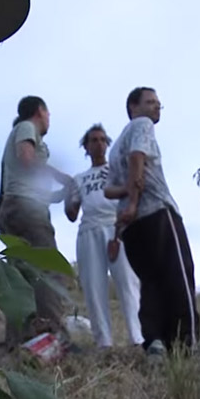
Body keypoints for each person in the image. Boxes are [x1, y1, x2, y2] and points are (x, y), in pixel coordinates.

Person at [105, 87, 200, 361]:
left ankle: (156, 343)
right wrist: (135, 200)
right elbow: (138, 157)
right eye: (150, 102)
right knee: (179, 275)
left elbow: (109, 191)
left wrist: (127, 201)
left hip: (131, 227)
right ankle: (187, 345)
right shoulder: (142, 125)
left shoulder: (114, 148)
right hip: (157, 211)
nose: (157, 107)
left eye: (158, 103)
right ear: (133, 107)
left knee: (150, 281)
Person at [0, 95, 75, 348]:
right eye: (48, 113)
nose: (48, 119)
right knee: (47, 269)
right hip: (25, 209)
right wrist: (61, 176)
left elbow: (27, 183)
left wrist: (57, 195)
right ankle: (53, 336)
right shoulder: (26, 127)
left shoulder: (18, 132)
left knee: (21, 274)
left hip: (16, 207)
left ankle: (19, 340)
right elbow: (27, 158)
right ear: (40, 111)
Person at [65, 124, 143, 348]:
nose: (98, 144)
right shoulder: (80, 179)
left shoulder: (118, 169)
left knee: (128, 281)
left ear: (107, 144)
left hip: (117, 226)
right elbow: (72, 213)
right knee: (94, 287)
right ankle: (104, 342)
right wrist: (67, 195)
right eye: (93, 140)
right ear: (86, 148)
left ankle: (137, 338)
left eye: (102, 140)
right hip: (89, 230)